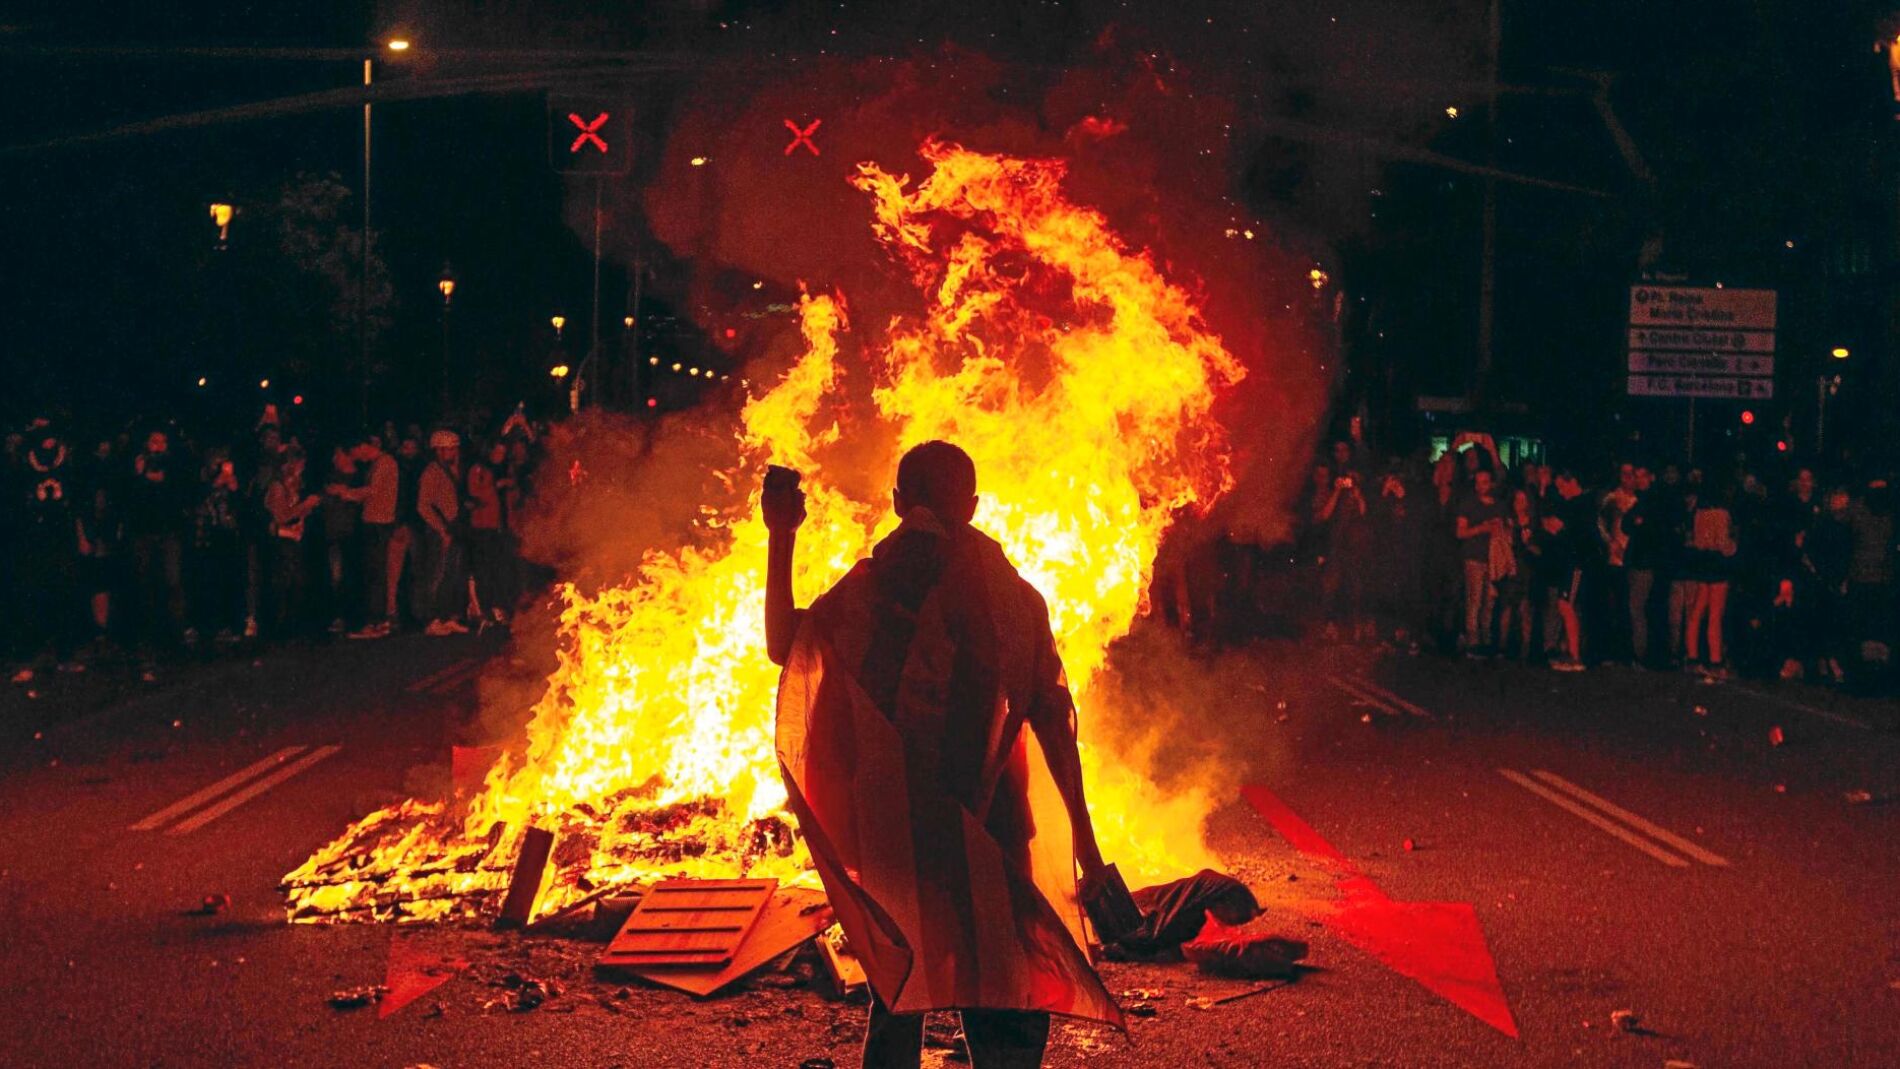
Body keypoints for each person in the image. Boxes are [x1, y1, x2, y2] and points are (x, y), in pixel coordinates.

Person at [765, 442, 1122, 1069]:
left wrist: (781, 535)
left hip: (899, 831)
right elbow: (1056, 729)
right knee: (1001, 991)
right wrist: (1087, 852)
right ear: (974, 506)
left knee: (901, 986)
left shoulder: (874, 593)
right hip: (993, 829)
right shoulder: (1015, 602)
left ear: (898, 503)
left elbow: (783, 645)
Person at [335, 432, 401, 639]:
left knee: (376, 573)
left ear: (362, 447)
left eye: (355, 453)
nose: (357, 458)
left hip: (379, 523)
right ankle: (378, 619)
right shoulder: (378, 464)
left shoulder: (385, 463)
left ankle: (376, 621)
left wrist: (346, 493)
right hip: (375, 522)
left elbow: (373, 490)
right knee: (375, 572)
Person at [1682, 481, 1739, 677]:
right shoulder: (1722, 514)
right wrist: (1733, 547)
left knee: (1697, 611)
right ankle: (1716, 661)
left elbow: (1697, 542)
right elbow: (1723, 543)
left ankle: (1692, 657)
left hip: (1702, 562)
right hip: (1718, 564)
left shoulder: (1699, 514)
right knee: (1715, 614)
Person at [263, 445, 320, 637]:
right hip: (280, 538)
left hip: (293, 536)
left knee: (296, 580)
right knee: (285, 581)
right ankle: (281, 625)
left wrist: (305, 512)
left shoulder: (295, 484)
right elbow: (280, 515)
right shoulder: (277, 486)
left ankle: (293, 623)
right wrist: (304, 505)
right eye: (300, 463)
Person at [417, 430, 469, 635]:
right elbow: (423, 505)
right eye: (449, 449)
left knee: (451, 574)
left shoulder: (450, 470)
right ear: (438, 450)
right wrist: (441, 530)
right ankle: (431, 619)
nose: (454, 452)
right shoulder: (431, 472)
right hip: (439, 530)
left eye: (455, 449)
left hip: (453, 527)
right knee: (436, 574)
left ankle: (446, 616)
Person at [1454, 466, 1509, 655]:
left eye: (1484, 482)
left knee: (1489, 601)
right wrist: (1481, 529)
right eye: (1478, 483)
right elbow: (1460, 532)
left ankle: (1486, 638)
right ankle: (1473, 640)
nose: (1481, 486)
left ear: (1491, 483)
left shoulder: (1499, 505)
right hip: (1474, 557)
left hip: (1493, 559)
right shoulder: (1468, 503)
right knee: (1475, 600)